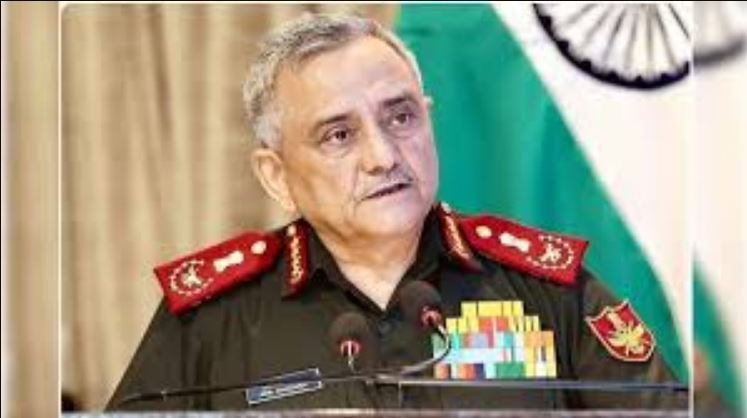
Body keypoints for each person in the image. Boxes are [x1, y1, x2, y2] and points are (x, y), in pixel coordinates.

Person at [107, 13, 687, 411]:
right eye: (339, 135)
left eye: (401, 116)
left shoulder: (548, 288)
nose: (384, 156)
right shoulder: (214, 318)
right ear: (276, 175)